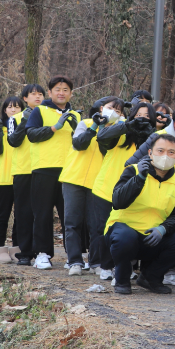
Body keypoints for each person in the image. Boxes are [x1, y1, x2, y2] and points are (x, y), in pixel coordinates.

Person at [105, 133, 175, 295]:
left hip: (154, 236)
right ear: (150, 153)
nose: (165, 156)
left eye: (171, 152)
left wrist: (163, 229)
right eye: (160, 151)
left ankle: (151, 277)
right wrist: (139, 179)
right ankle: (122, 279)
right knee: (125, 237)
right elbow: (118, 201)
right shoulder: (133, 170)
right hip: (124, 233)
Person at [93, 102, 155, 280]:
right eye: (138, 114)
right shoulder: (120, 129)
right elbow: (102, 136)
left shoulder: (153, 139)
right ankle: (104, 266)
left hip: (130, 190)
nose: (141, 118)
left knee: (123, 230)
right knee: (103, 229)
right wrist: (127, 126)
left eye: (146, 115)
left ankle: (121, 267)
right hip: (106, 187)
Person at [59, 96, 121, 275]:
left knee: (96, 225)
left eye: (118, 111)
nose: (114, 112)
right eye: (111, 108)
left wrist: (103, 129)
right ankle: (74, 261)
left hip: (98, 182)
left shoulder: (116, 131)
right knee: (72, 221)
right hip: (73, 178)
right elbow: (79, 144)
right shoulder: (85, 123)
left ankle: (95, 262)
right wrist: (94, 127)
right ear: (101, 108)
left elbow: (105, 150)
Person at [24, 76, 80, 270]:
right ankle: (42, 253)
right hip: (44, 169)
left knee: (70, 216)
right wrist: (56, 127)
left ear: (71, 93)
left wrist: (75, 127)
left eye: (65, 89)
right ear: (50, 92)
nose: (61, 92)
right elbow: (31, 134)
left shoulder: (76, 115)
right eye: (57, 89)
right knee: (43, 213)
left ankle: (72, 257)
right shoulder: (40, 111)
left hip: (70, 171)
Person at [7, 83, 45, 265]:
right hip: (23, 170)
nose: (37, 97)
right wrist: (25, 121)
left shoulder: (48, 115)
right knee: (23, 213)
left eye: (40, 94)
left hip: (44, 169)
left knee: (42, 213)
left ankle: (42, 252)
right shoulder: (16, 118)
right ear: (25, 99)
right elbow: (13, 140)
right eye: (33, 94)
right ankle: (25, 252)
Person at [0, 96, 23, 263]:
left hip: (21, 176)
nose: (13, 110)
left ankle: (17, 249)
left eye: (17, 107)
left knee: (20, 215)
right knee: (3, 214)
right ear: (4, 110)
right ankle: (0, 248)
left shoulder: (24, 128)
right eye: (10, 107)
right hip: (3, 178)